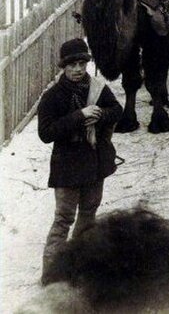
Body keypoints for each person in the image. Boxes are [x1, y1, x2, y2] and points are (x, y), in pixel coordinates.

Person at [37, 38, 121, 282]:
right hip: (67, 168)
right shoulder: (52, 96)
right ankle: (51, 277)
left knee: (88, 215)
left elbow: (117, 110)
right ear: (63, 67)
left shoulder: (96, 88)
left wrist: (101, 115)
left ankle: (79, 268)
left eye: (82, 64)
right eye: (72, 65)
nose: (77, 70)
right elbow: (46, 133)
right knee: (63, 220)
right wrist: (78, 116)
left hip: (95, 165)